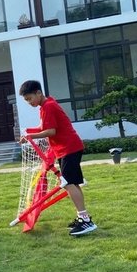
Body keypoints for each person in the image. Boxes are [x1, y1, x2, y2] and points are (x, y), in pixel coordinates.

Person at [18, 80, 97, 236]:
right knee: (72, 183)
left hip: (69, 148)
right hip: (66, 149)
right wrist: (29, 131)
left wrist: (31, 136)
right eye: (26, 100)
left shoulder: (48, 106)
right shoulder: (45, 106)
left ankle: (86, 221)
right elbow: (43, 127)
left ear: (38, 93)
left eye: (30, 98)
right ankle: (83, 217)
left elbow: (51, 131)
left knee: (68, 183)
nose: (29, 102)